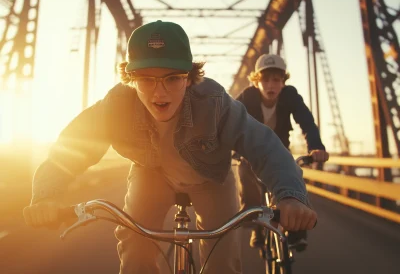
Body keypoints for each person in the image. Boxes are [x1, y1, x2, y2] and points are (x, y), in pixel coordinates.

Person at [23, 21, 317, 274]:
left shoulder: (215, 103)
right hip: (151, 174)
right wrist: (46, 195)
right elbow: (72, 147)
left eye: (172, 78)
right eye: (146, 79)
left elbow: (264, 145)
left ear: (189, 79)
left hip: (212, 178)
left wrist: (290, 196)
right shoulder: (116, 105)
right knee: (134, 246)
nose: (159, 92)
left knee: (223, 258)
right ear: (130, 78)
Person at [235, 53, 329, 252]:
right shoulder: (247, 97)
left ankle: (297, 231)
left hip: (280, 152)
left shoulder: (290, 95)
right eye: (265, 80)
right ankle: (255, 222)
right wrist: (229, 149)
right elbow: (231, 122)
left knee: (294, 174)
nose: (271, 85)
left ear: (283, 82)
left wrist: (316, 146)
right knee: (245, 172)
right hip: (251, 152)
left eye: (276, 80)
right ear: (256, 82)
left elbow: (307, 122)